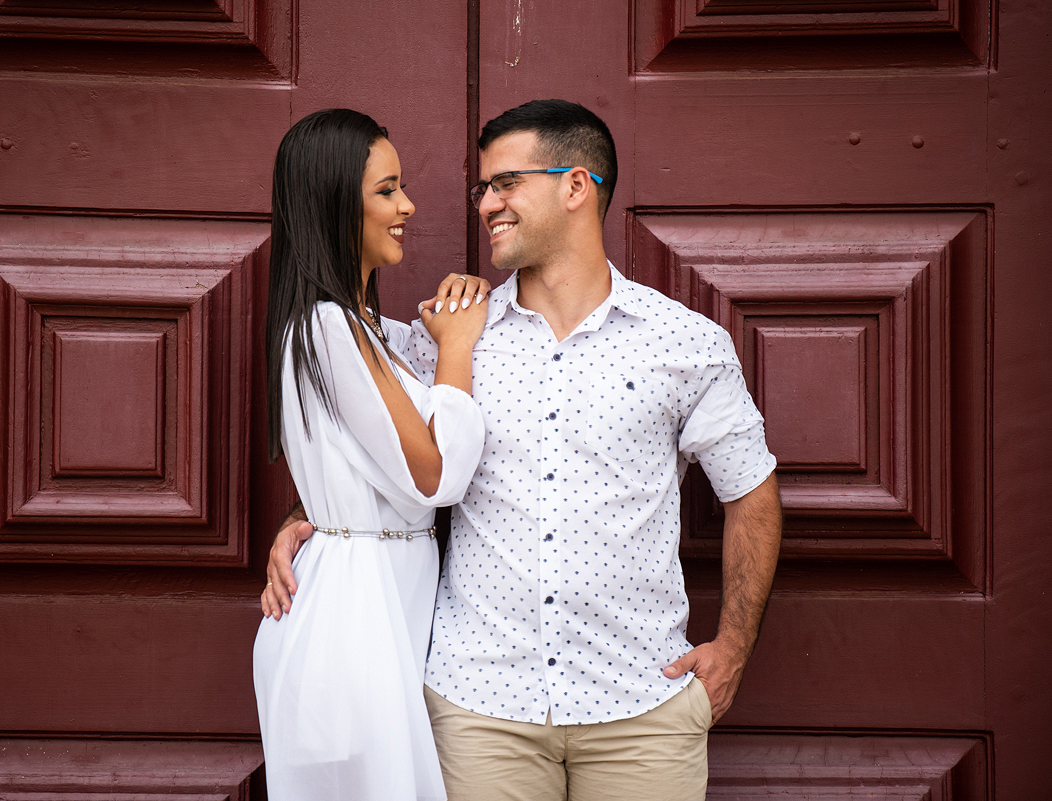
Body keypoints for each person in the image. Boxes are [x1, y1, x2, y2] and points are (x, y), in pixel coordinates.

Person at [262, 99, 782, 801]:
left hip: (641, 705)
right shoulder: (450, 337)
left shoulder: (684, 343)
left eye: (506, 183)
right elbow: (370, 444)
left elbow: (751, 491)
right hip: (479, 709)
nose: (485, 204)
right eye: (483, 188)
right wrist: (309, 520)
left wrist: (734, 648)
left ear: (576, 186)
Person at [252, 108, 492, 801]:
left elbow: (355, 462)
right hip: (352, 619)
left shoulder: (365, 329)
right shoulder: (328, 325)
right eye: (386, 190)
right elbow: (436, 475)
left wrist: (303, 516)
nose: (407, 205)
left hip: (381, 598)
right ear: (335, 203)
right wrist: (456, 349)